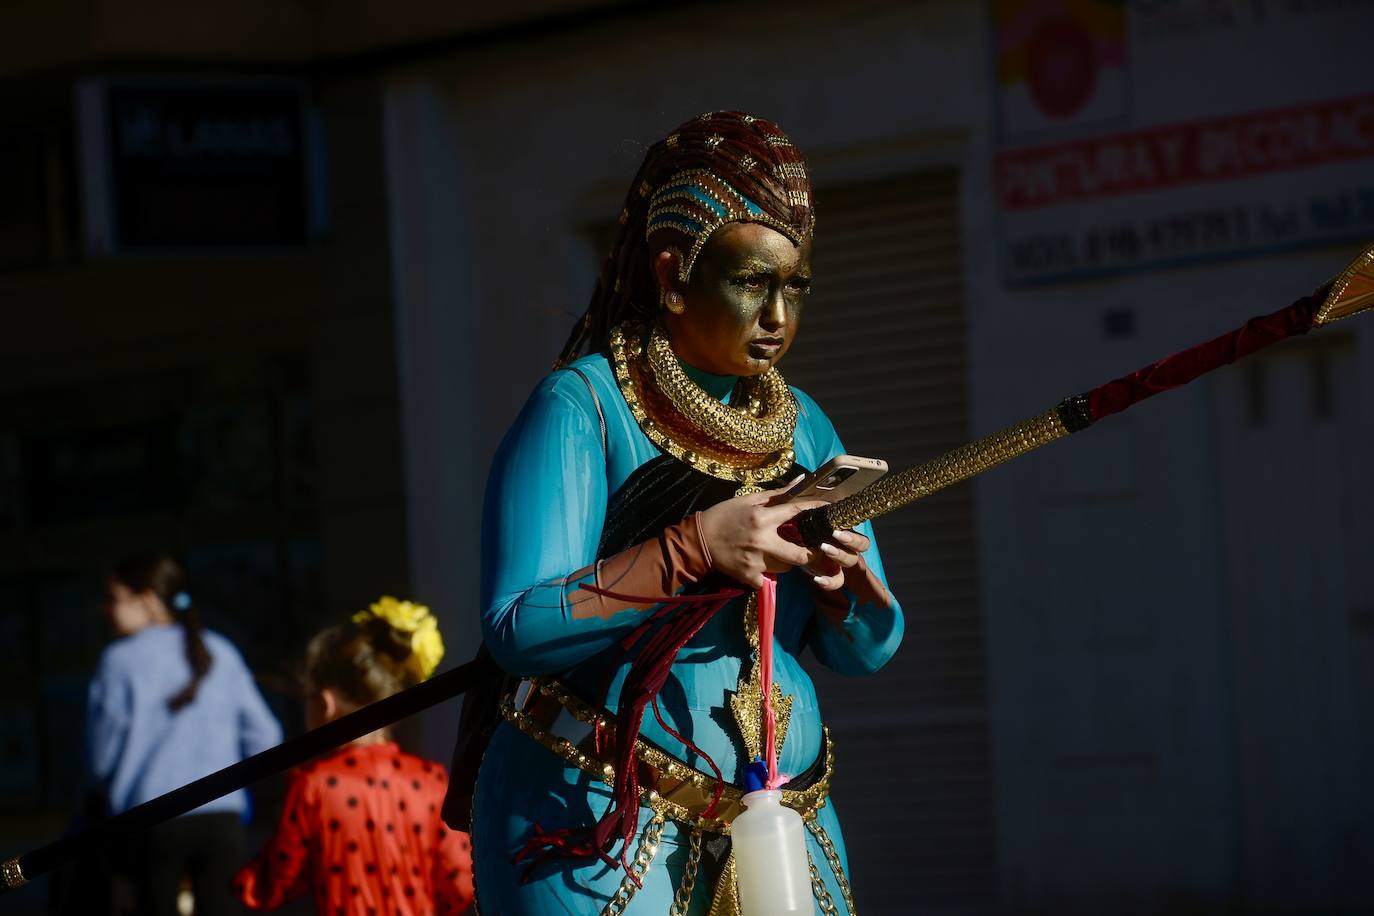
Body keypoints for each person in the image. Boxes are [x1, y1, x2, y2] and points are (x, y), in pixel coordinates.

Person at [464, 112, 903, 914]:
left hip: (791, 818)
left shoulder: (805, 424)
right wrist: (694, 546)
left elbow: (869, 650)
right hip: (597, 819)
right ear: (672, 277)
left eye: (795, 287)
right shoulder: (582, 406)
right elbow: (517, 627)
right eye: (751, 283)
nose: (778, 315)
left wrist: (845, 589)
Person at [234, 597, 475, 915]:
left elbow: (275, 881)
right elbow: (461, 883)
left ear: (325, 703)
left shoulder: (314, 786)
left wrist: (239, 882)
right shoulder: (430, 779)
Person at [87, 552, 283, 916]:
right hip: (222, 818)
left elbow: (101, 761)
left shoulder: (119, 661)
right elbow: (266, 735)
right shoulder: (221, 651)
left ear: (147, 599)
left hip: (150, 820)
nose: (106, 610)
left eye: (114, 599)